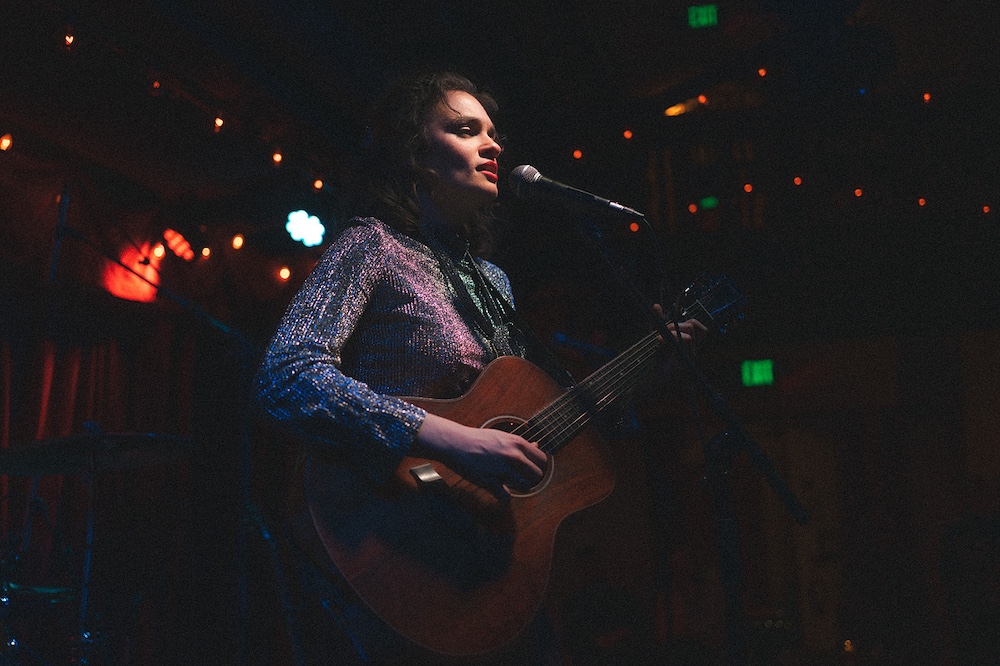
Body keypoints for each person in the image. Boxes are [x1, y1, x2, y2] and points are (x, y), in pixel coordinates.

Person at [254, 72, 704, 663]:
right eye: (466, 131)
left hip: (484, 553)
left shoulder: (492, 283)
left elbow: (532, 422)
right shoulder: (371, 248)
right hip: (396, 529)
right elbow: (287, 374)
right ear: (415, 157)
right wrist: (452, 440)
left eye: (493, 133)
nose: (493, 146)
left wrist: (651, 370)